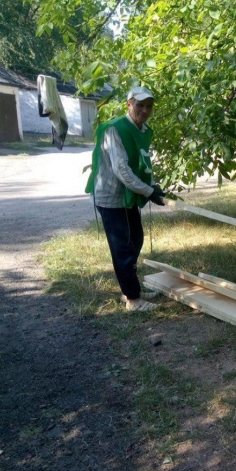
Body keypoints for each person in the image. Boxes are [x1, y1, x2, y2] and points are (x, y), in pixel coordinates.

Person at [85, 87, 167, 312]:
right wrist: (148, 192)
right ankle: (132, 299)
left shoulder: (142, 129)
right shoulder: (115, 129)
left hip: (128, 195)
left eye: (149, 106)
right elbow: (121, 169)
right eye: (140, 105)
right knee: (123, 247)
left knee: (136, 240)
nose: (145, 110)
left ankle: (130, 289)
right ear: (129, 104)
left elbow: (140, 164)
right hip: (112, 197)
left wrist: (150, 186)